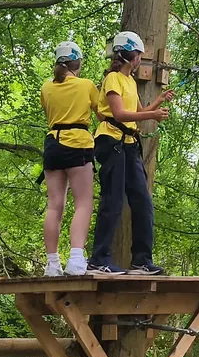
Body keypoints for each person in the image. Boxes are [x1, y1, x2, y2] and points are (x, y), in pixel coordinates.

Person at [87, 31, 174, 276]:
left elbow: (139, 112)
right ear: (131, 56)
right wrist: (152, 115)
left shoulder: (130, 82)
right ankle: (98, 259)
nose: (139, 60)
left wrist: (158, 102)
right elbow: (119, 114)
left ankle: (141, 260)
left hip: (128, 143)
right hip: (111, 140)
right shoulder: (113, 78)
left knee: (142, 200)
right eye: (138, 56)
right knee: (113, 200)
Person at [40, 41, 100, 277]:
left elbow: (50, 112)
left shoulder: (47, 88)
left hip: (53, 144)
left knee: (55, 205)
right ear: (78, 63)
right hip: (78, 144)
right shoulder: (87, 85)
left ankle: (52, 264)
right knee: (83, 203)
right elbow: (102, 112)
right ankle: (76, 259)